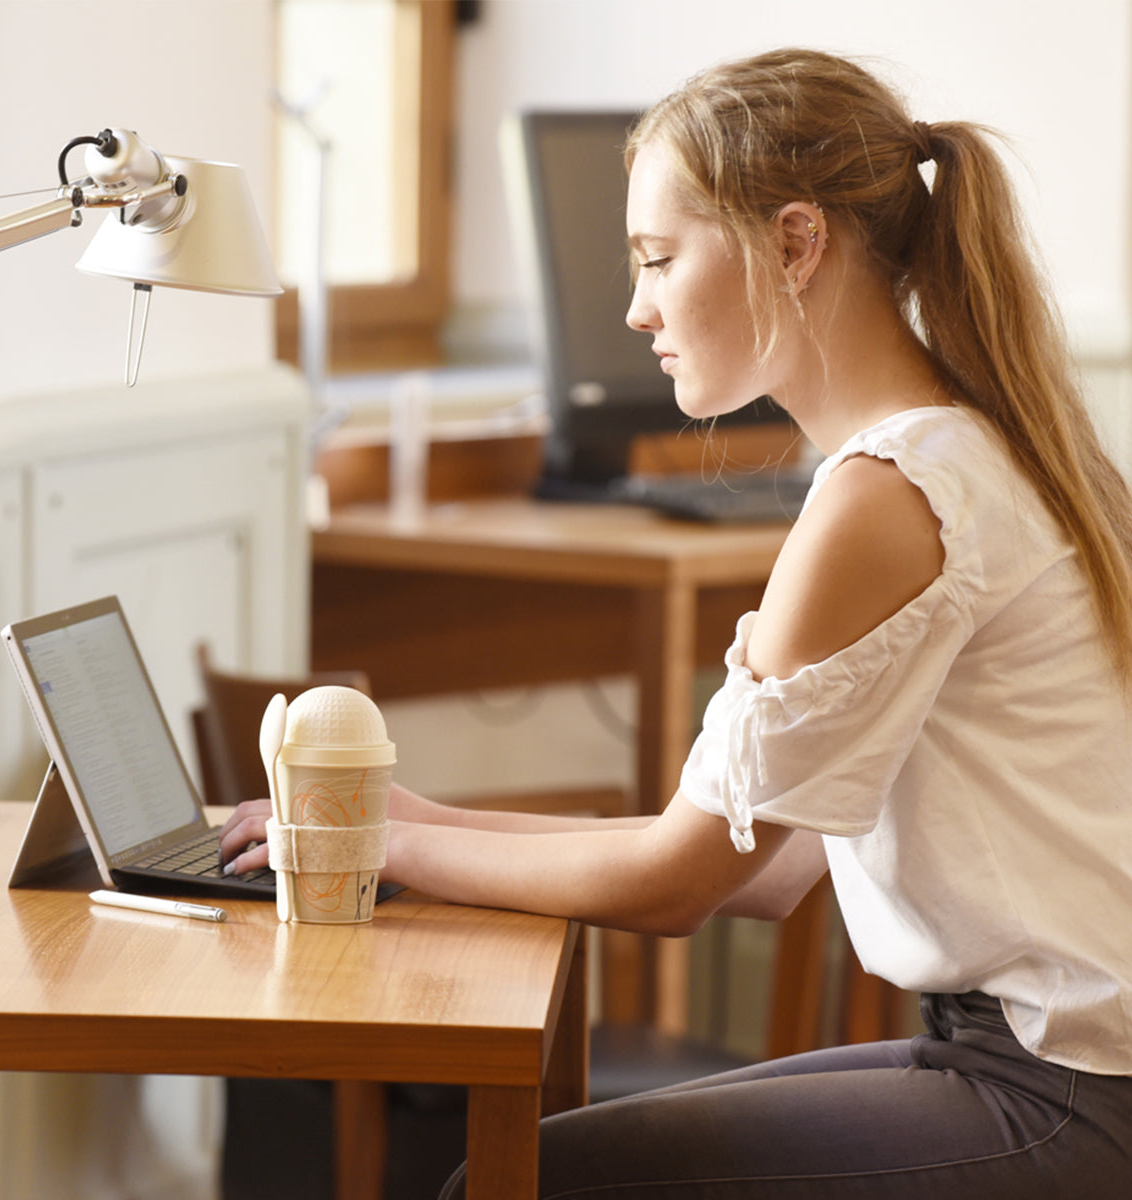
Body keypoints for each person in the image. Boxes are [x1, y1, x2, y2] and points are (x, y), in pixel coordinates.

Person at [220, 47, 1132, 1199]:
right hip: (1032, 1062)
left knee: (513, 1183)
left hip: (1061, 1096)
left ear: (796, 245)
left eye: (658, 258)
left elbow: (679, 883)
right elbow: (761, 869)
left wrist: (389, 847)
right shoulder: (955, 451)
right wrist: (427, 817)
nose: (638, 307)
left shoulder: (889, 495)